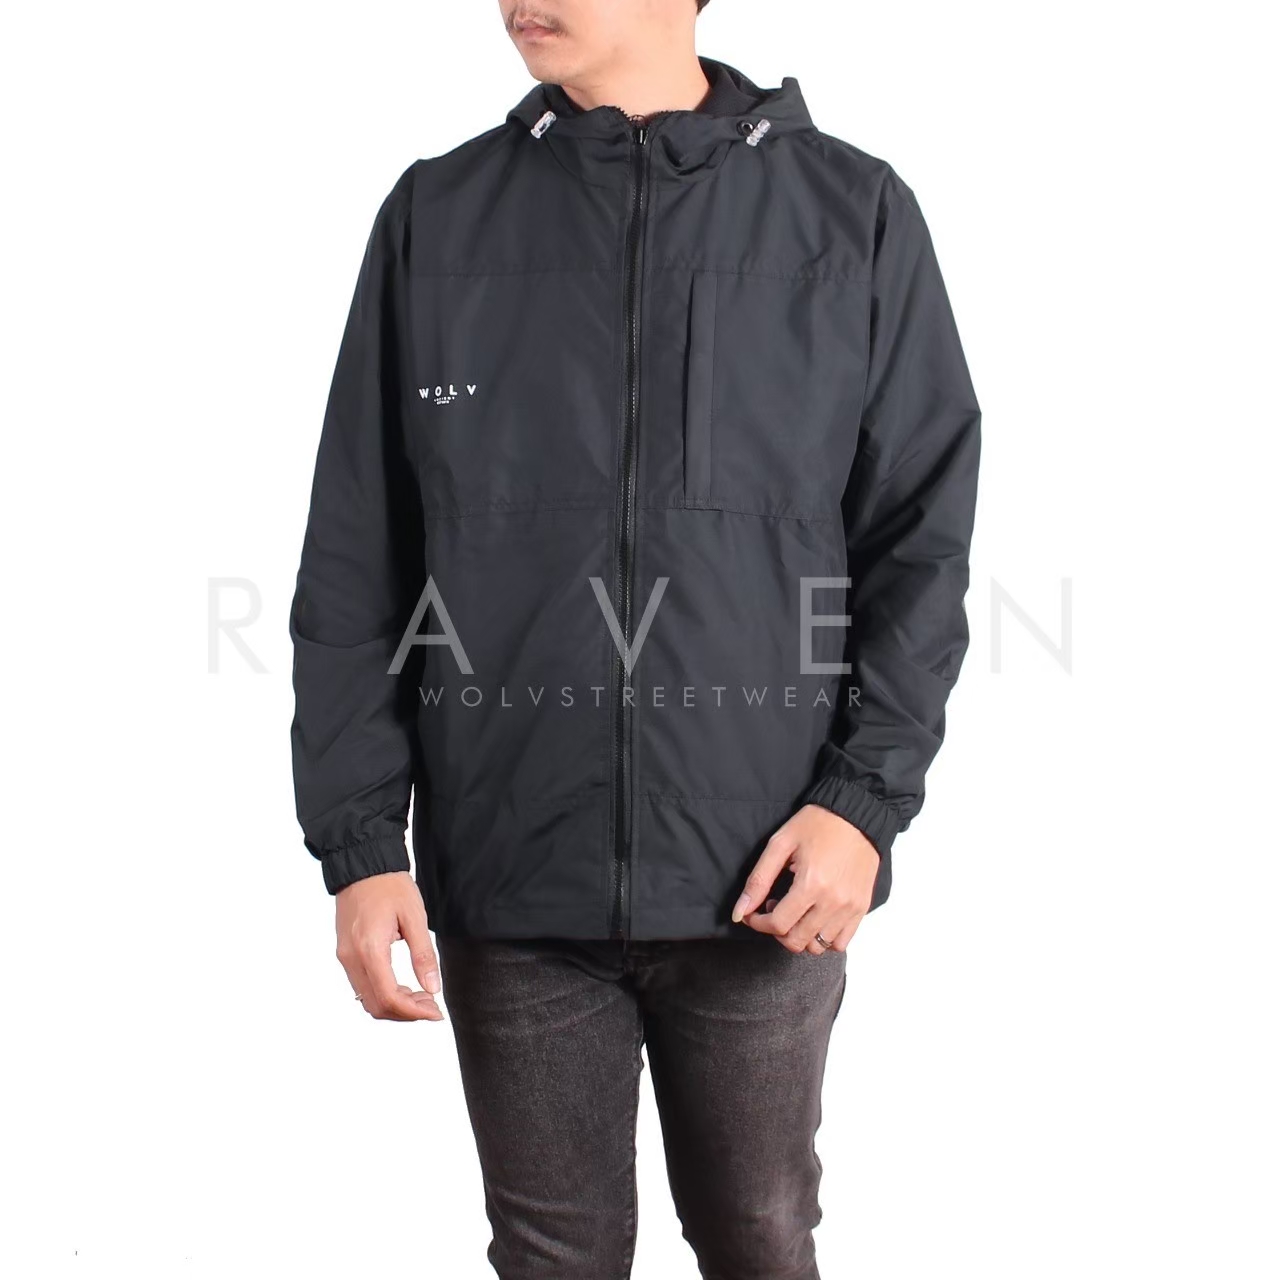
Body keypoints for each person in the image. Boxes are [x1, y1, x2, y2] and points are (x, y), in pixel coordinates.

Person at [289, 2, 981, 1275]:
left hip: (764, 866)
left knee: (758, 1236)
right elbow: (356, 556)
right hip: (511, 861)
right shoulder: (439, 216)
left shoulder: (851, 213)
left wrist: (861, 804)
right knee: (551, 1253)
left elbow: (917, 549)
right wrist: (358, 844)